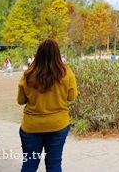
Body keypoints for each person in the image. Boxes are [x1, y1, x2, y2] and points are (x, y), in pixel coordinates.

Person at [17, 38, 78, 172]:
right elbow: (71, 96)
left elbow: (20, 100)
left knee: (29, 165)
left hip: (31, 126)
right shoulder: (66, 73)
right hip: (58, 124)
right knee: (54, 165)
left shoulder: (28, 75)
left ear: (38, 54)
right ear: (57, 54)